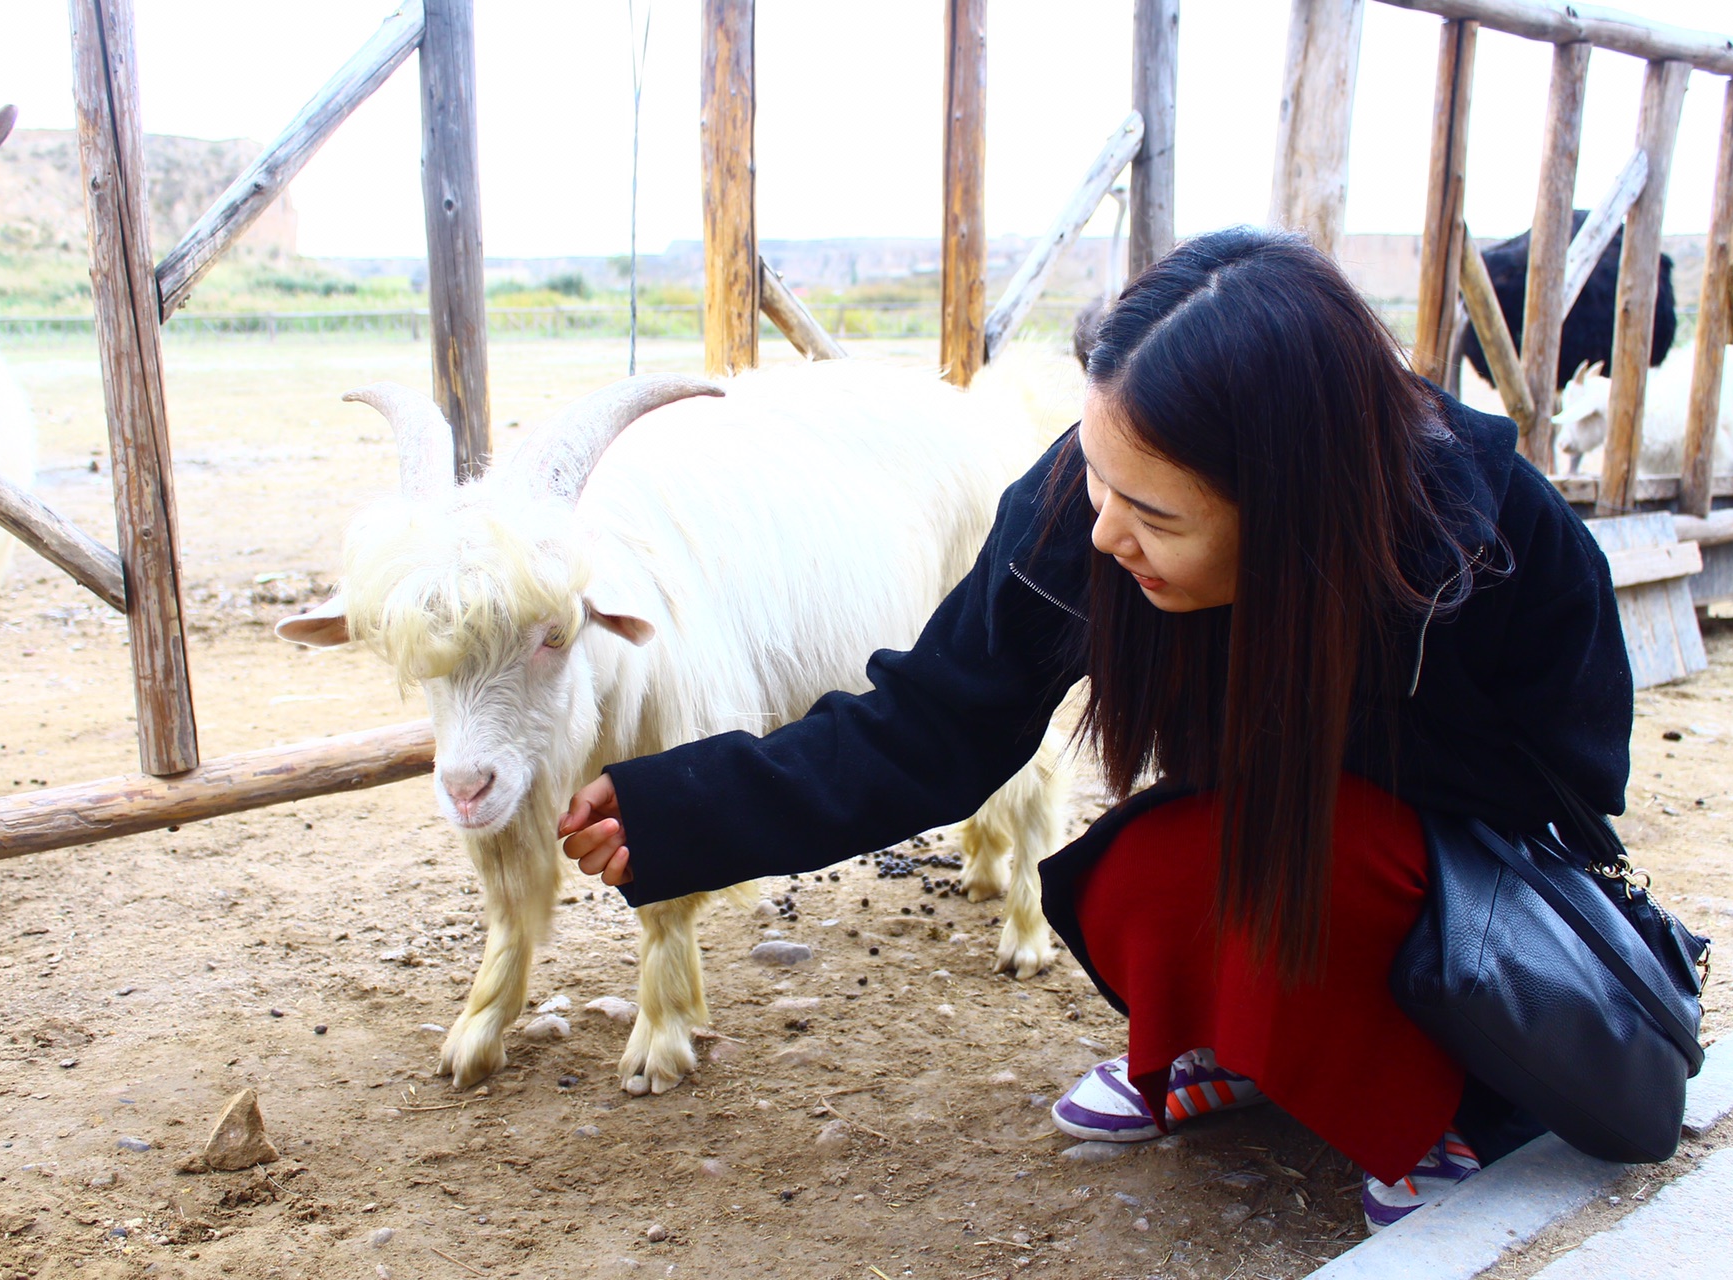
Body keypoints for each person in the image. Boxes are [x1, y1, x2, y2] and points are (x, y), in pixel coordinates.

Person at [557, 228, 1632, 1232]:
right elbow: (928, 725)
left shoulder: (1485, 544)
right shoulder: (1084, 506)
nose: (1107, 530)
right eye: (1098, 475)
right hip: (1270, 828)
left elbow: (1567, 796)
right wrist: (678, 808)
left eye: (1156, 514)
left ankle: (1424, 1109)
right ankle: (1242, 1045)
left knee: (1325, 857)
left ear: (1295, 504)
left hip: (1430, 867)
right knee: (1143, 877)